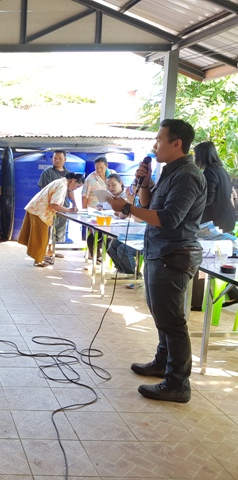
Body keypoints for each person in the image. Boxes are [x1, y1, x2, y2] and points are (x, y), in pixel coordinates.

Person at [109, 119, 206, 403]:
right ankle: (162, 363)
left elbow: (170, 218)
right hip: (158, 251)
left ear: (177, 143)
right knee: (161, 314)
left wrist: (127, 207)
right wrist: (146, 183)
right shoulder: (170, 172)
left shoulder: (187, 175)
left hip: (174, 255)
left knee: (172, 321)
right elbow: (150, 206)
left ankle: (178, 384)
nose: (155, 145)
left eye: (159, 140)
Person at [17, 173, 84, 267]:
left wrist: (73, 205)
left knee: (41, 236)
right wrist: (69, 210)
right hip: (40, 211)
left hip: (37, 209)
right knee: (41, 237)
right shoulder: (62, 186)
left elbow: (59, 200)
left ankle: (41, 257)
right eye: (77, 186)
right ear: (73, 180)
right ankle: (38, 260)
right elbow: (54, 205)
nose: (75, 189)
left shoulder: (61, 181)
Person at [86, 173, 131, 265]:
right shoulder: (106, 195)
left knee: (109, 243)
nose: (111, 188)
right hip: (107, 225)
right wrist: (99, 209)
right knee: (91, 239)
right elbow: (99, 206)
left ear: (120, 183)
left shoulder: (127, 197)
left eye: (113, 185)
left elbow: (128, 214)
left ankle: (119, 266)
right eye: (108, 186)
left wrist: (116, 213)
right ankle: (98, 259)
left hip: (121, 229)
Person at [193, 141, 236, 233]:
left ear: (202, 156)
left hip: (215, 224)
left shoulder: (209, 173)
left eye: (195, 156)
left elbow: (208, 199)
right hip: (227, 220)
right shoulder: (222, 170)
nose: (194, 159)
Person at [37, 150, 77, 244]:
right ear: (52, 160)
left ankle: (57, 248)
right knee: (48, 231)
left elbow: (70, 190)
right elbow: (43, 191)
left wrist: (74, 203)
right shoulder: (47, 173)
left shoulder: (69, 174)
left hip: (63, 207)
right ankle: (46, 249)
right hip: (50, 207)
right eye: (55, 158)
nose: (57, 160)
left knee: (60, 231)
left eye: (60, 158)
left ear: (65, 159)